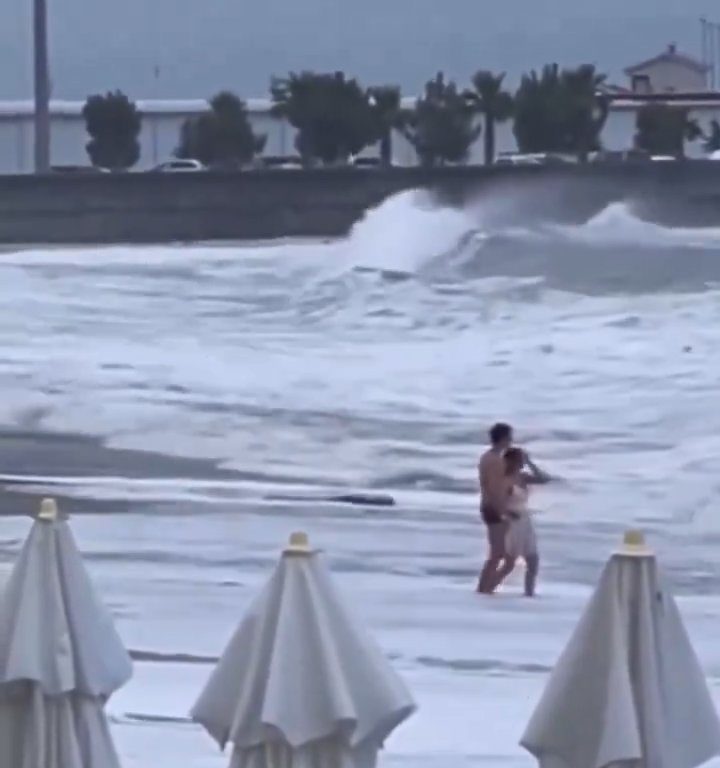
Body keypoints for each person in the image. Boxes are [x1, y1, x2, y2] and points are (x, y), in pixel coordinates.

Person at [502, 447, 551, 597]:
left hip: (524, 521)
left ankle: (529, 594)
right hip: (511, 522)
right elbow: (496, 502)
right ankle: (489, 586)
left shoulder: (522, 477)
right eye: (520, 460)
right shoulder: (504, 479)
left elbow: (544, 479)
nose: (521, 463)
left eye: (522, 460)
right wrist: (507, 513)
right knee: (509, 562)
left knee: (533, 560)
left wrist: (530, 462)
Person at [477, 422, 513, 594]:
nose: (511, 441)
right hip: (493, 508)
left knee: (498, 553)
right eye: (509, 438)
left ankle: (486, 587)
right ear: (503, 438)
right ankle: (483, 588)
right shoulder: (494, 460)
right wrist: (503, 512)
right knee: (497, 554)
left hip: (489, 506)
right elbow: (494, 489)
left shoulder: (487, 457)